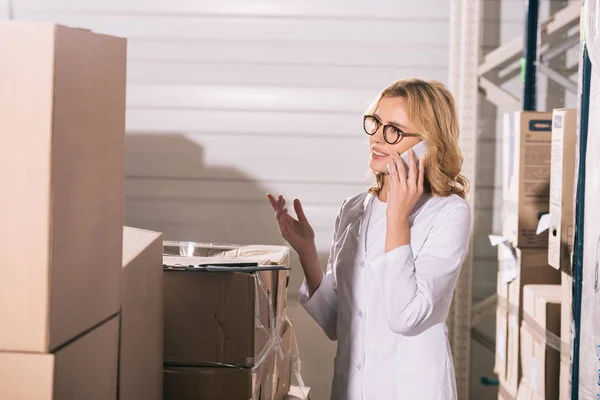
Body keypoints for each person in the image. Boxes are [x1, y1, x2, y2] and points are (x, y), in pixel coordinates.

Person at [267, 78, 471, 400]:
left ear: (427, 144)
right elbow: (337, 321)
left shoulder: (448, 214)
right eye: (375, 122)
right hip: (352, 388)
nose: (376, 137)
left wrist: (398, 218)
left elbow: (406, 315)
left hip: (412, 390)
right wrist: (306, 250)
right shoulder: (354, 209)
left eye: (394, 130)